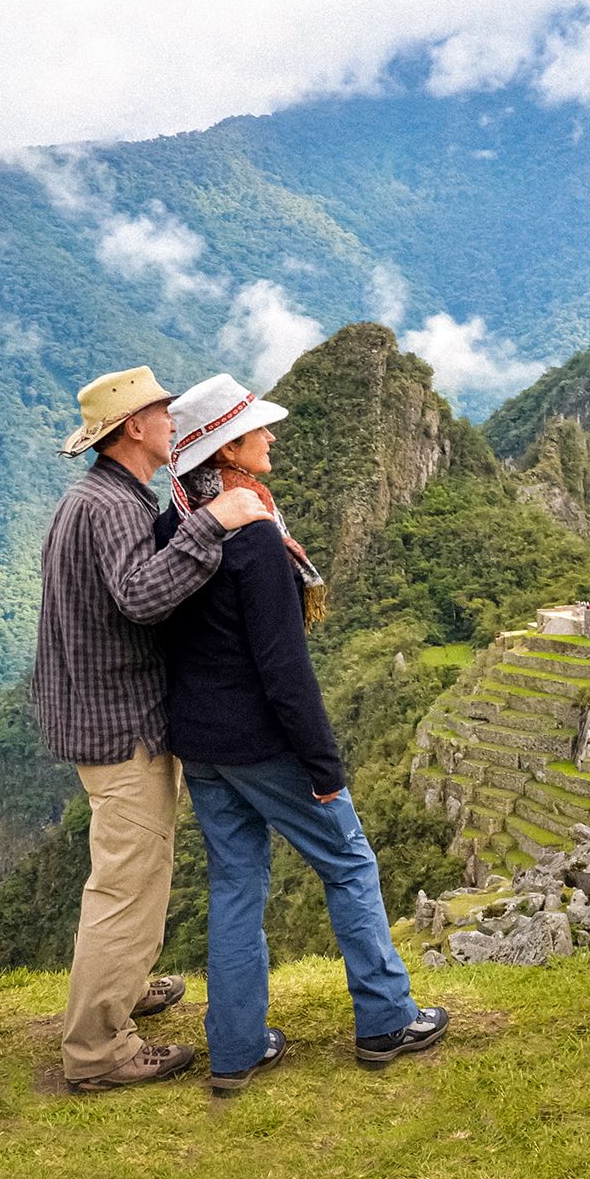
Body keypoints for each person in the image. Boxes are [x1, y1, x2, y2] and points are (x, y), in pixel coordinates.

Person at [153, 375, 448, 1094]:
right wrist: (323, 762)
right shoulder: (253, 540)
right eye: (258, 430)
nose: (272, 437)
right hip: (263, 743)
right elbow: (285, 670)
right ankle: (384, 1018)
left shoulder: (175, 526)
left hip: (202, 745)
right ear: (228, 451)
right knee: (349, 861)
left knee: (234, 884)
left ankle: (236, 1045)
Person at [34, 366, 274, 1094]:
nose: (173, 422)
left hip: (93, 713)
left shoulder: (98, 497)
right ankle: (98, 1048)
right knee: (127, 884)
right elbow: (141, 596)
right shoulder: (112, 506)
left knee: (135, 871)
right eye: (163, 412)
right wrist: (214, 522)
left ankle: (121, 985)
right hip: (119, 723)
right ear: (132, 427)